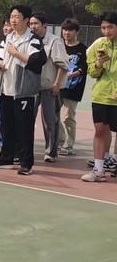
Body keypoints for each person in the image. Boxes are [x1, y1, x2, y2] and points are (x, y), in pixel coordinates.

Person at [0, 5, 46, 175]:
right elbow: (0, 56)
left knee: (24, 128)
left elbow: (37, 61)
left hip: (23, 91)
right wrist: (0, 63)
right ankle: (6, 158)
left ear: (26, 20)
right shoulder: (9, 37)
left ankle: (26, 163)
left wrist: (15, 53)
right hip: (6, 88)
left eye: (17, 17)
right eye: (11, 17)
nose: (13, 20)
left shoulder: (33, 39)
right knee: (7, 126)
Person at [81, 12, 117, 182]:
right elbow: (92, 73)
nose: (106, 31)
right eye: (103, 28)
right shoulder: (98, 45)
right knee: (100, 131)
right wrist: (99, 64)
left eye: (110, 27)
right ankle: (98, 170)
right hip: (101, 96)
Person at [29, 12, 69, 163]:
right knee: (27, 119)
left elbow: (62, 65)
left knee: (50, 120)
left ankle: (51, 151)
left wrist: (57, 84)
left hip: (49, 86)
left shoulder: (54, 41)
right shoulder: (29, 39)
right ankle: (24, 149)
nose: (33, 26)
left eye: (36, 23)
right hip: (31, 86)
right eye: (31, 23)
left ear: (44, 25)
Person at [59, 18, 87, 156]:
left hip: (73, 88)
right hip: (57, 86)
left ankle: (68, 145)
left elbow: (85, 68)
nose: (67, 33)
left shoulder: (83, 49)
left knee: (68, 117)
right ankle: (58, 142)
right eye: (65, 30)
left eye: (70, 30)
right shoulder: (58, 46)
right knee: (53, 116)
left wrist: (72, 75)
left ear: (77, 32)